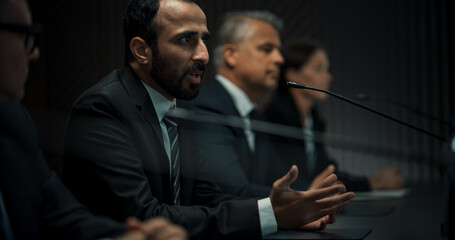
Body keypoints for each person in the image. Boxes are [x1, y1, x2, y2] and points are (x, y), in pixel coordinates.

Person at [62, 0, 355, 239]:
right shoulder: (103, 107)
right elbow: (145, 216)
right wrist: (270, 215)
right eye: (186, 40)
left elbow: (206, 196)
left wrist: (284, 214)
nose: (203, 55)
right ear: (142, 50)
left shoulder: (179, 107)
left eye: (204, 40)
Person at [0, 0, 188, 239]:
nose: (35, 52)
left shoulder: (13, 120)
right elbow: (141, 209)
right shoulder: (102, 105)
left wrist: (131, 236)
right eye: (27, 37)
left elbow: (63, 217)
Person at [192, 11, 336, 197]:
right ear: (231, 55)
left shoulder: (255, 115)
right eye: (267, 49)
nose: (279, 59)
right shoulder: (208, 109)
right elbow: (233, 192)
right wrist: (306, 196)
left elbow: (277, 178)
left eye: (278, 51)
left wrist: (310, 192)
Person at [264, 39, 403, 191]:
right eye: (319, 69)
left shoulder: (313, 119)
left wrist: (372, 181)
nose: (328, 77)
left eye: (326, 69)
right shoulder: (276, 116)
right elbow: (296, 180)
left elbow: (326, 172)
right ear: (293, 75)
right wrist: (371, 184)